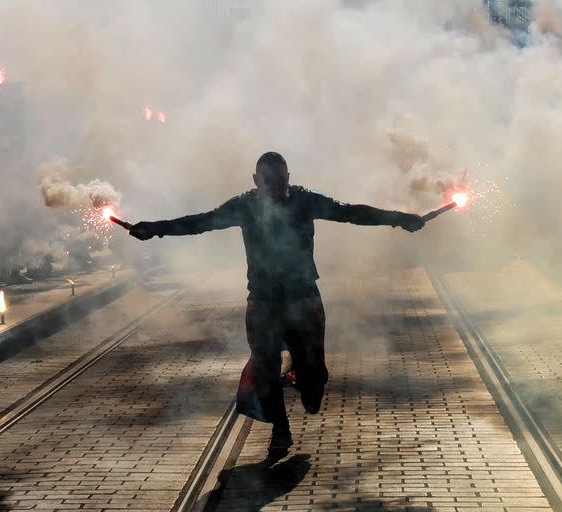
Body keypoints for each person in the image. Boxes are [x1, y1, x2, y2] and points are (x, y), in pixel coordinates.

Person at [128, 152, 425, 458]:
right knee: (265, 369)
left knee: (312, 383)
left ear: (289, 178)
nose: (276, 189)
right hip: (264, 301)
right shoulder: (244, 206)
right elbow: (200, 222)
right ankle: (280, 430)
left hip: (303, 299)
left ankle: (309, 383)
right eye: (268, 182)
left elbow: (350, 212)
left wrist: (399, 219)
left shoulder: (305, 201)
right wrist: (155, 228)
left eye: (281, 181)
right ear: (256, 181)